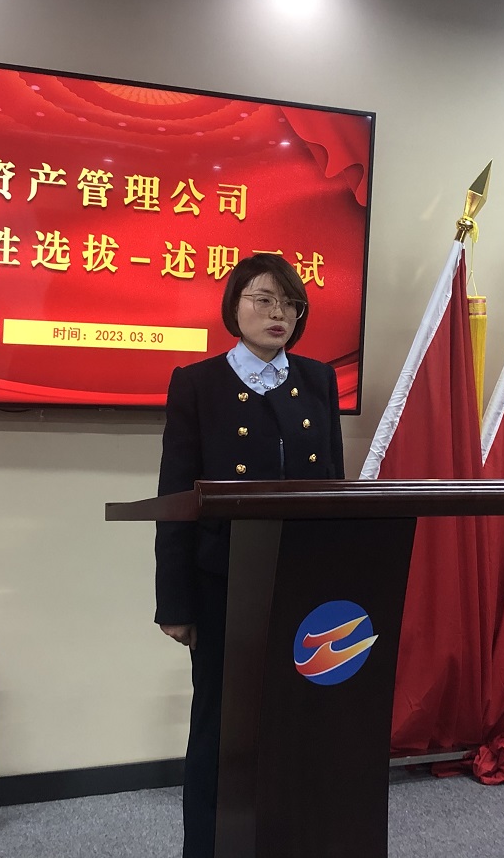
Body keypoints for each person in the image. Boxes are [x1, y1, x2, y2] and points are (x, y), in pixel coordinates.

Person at [154, 253, 345, 858]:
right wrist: (175, 602)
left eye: (290, 303)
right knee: (220, 726)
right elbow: (176, 497)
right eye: (263, 299)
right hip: (224, 582)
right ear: (234, 306)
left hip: (304, 581)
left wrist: (341, 581)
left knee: (299, 720)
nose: (278, 313)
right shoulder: (198, 383)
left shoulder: (318, 380)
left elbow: (333, 488)